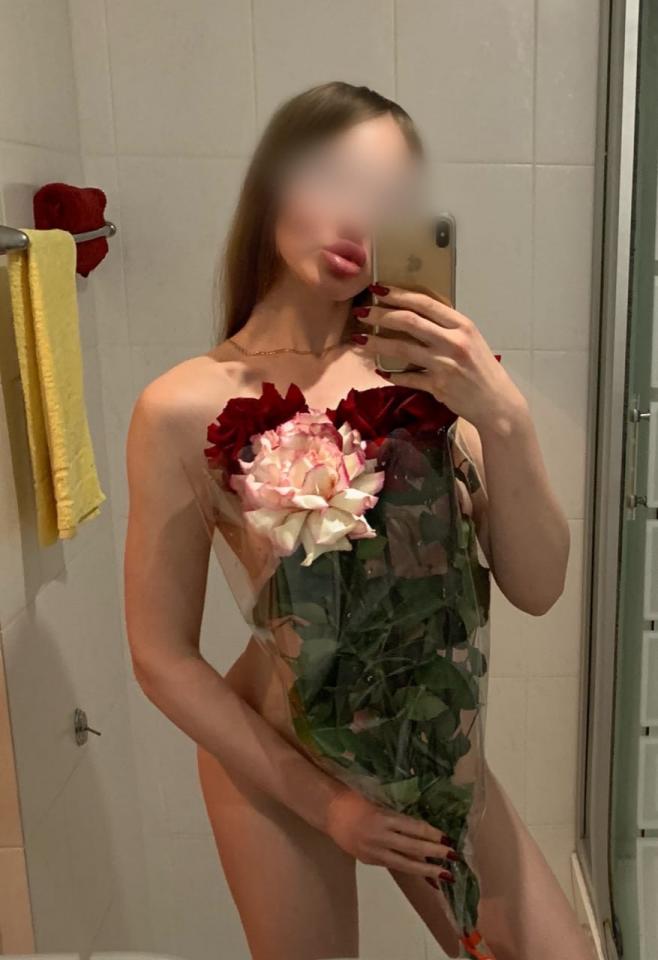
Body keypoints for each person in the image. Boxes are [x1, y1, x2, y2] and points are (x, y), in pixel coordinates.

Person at [124, 81, 594, 960]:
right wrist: (329, 806)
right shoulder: (182, 406)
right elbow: (160, 655)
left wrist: (504, 415)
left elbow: (537, 587)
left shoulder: (431, 374)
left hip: (432, 743)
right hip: (278, 759)